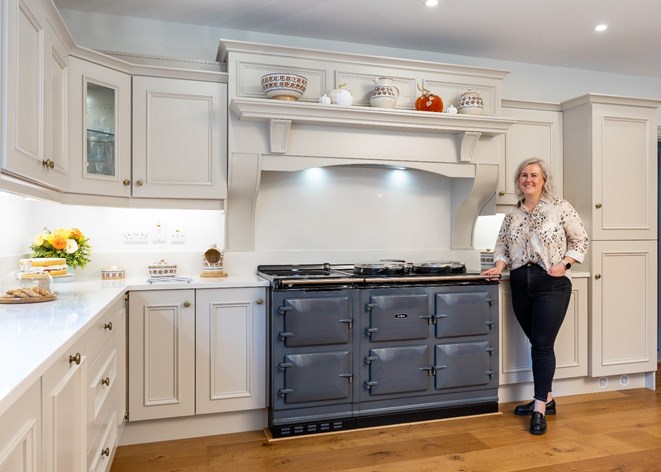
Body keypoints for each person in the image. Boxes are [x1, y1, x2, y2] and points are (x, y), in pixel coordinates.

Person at [481, 158, 589, 435]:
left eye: (534, 175)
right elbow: (502, 246)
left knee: (541, 344)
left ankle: (539, 408)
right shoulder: (512, 215)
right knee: (537, 343)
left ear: (544, 180)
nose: (528, 179)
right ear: (519, 181)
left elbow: (581, 241)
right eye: (523, 175)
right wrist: (499, 266)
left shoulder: (559, 207)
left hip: (551, 284)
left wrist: (564, 264)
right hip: (520, 284)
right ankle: (547, 398)